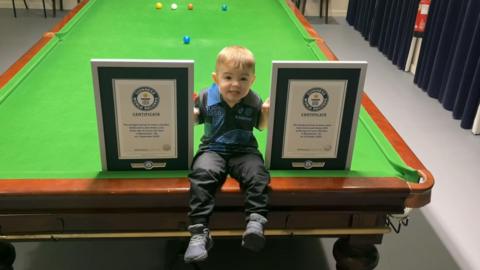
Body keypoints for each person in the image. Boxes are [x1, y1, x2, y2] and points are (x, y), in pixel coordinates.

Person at [184, 45, 270, 263]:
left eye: (243, 79)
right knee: (201, 174)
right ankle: (199, 232)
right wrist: (188, 112)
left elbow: (260, 126)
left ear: (252, 80)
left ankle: (255, 223)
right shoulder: (205, 96)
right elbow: (195, 119)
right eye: (228, 77)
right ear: (216, 78)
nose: (235, 84)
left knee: (258, 173)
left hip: (245, 151)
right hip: (212, 150)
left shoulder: (254, 100)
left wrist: (267, 114)